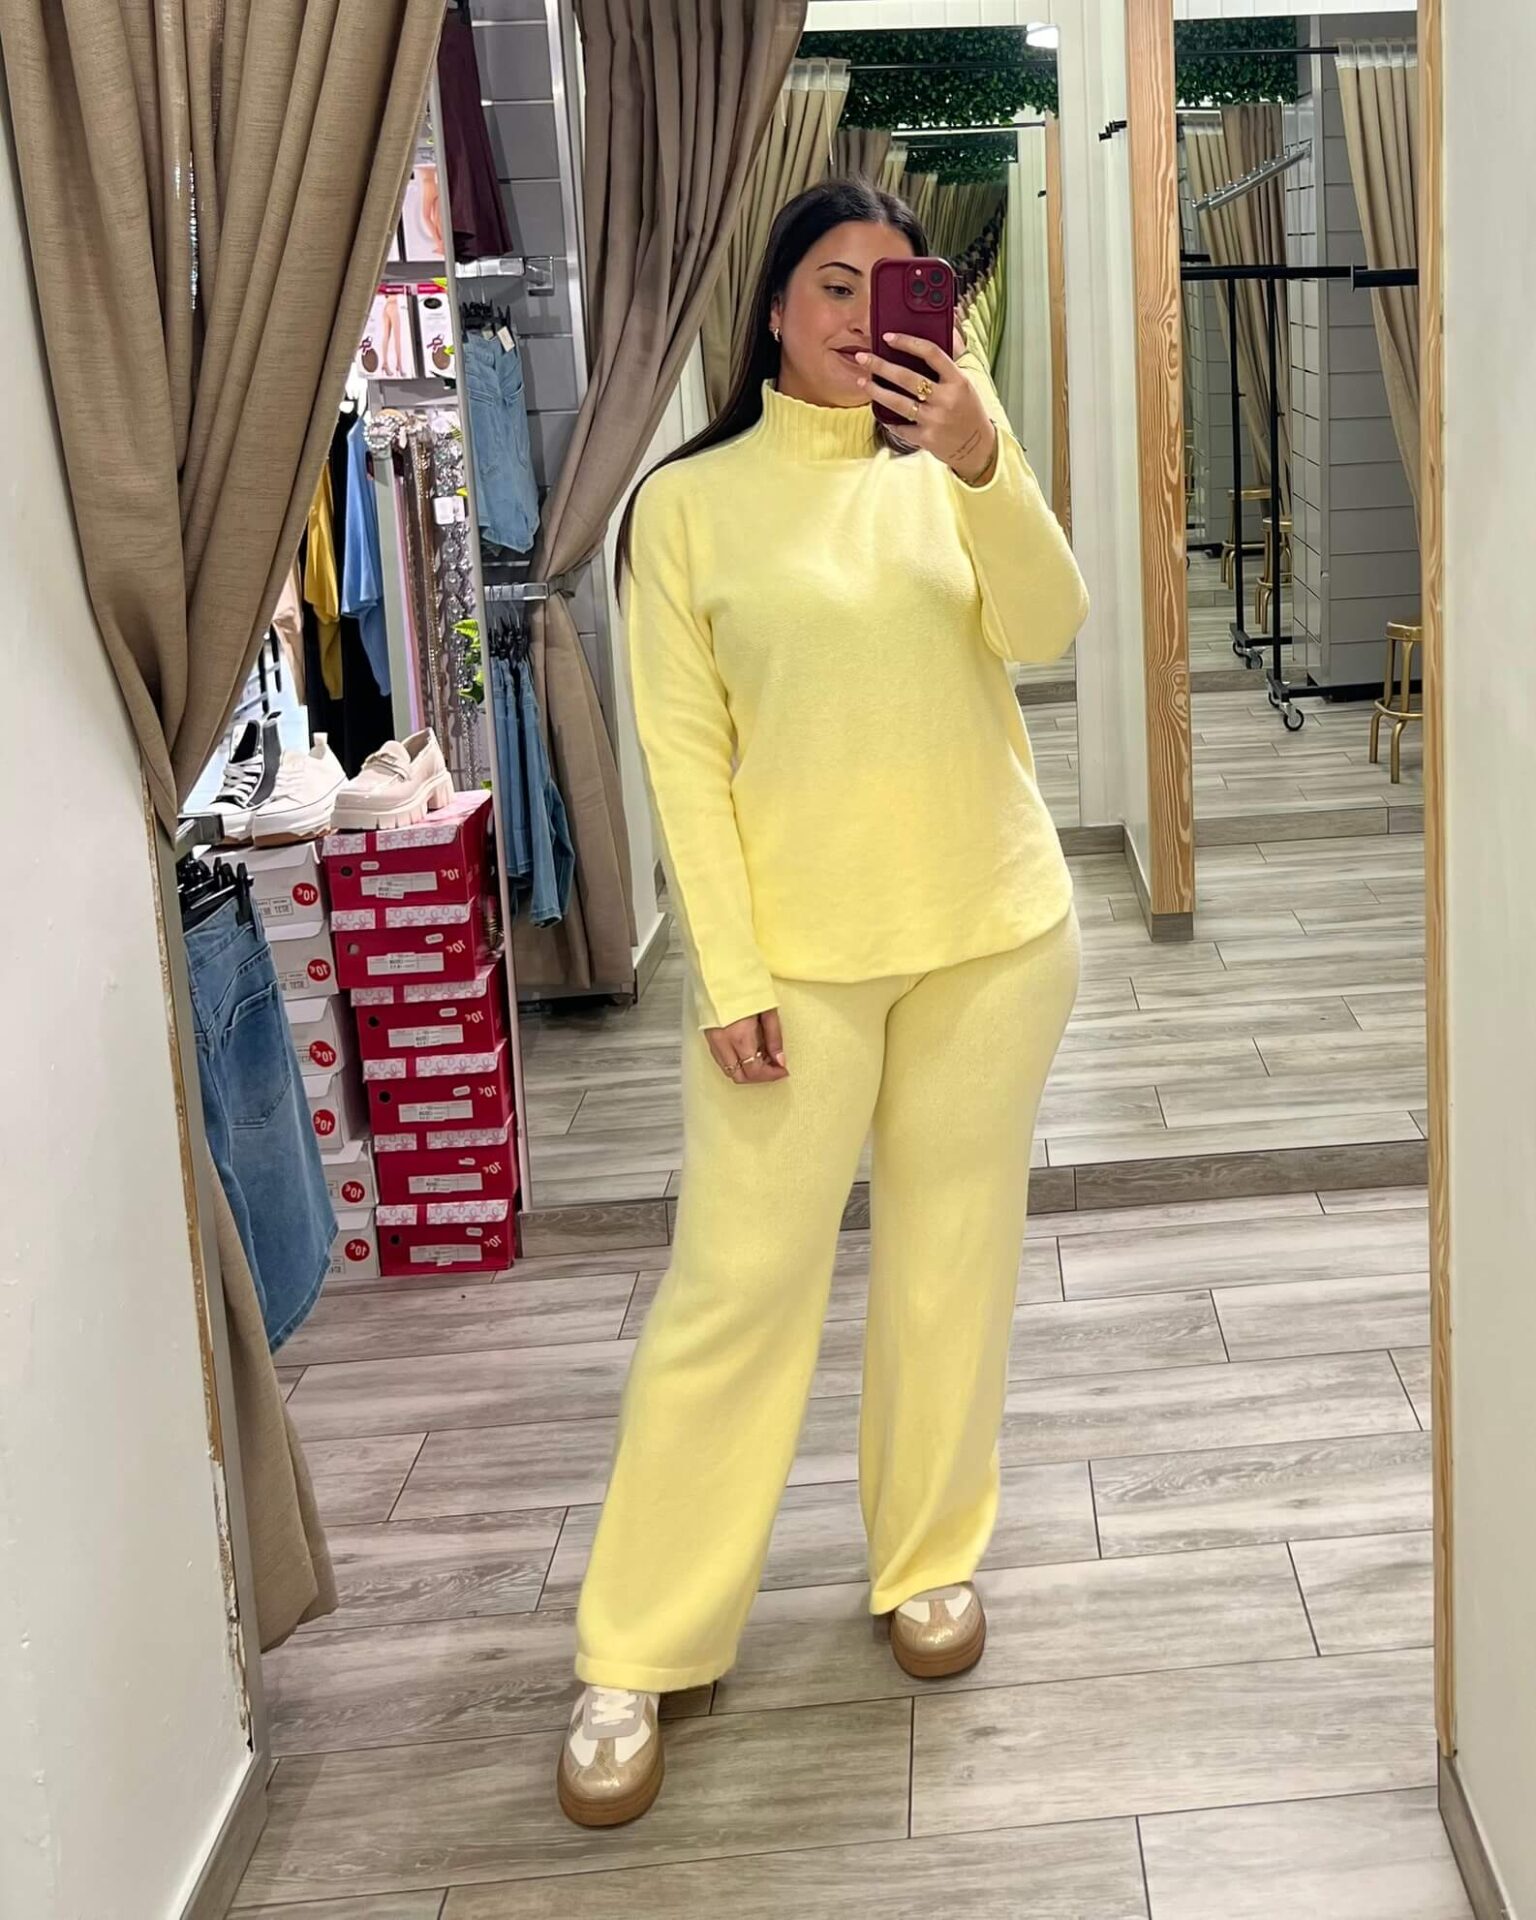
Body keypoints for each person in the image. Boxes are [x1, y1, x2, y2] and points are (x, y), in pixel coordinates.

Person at [557, 179, 1089, 1829]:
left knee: (952, 1264)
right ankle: (639, 1644)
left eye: (897, 284)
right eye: (835, 283)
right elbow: (683, 760)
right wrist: (725, 968)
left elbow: (1051, 626)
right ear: (776, 309)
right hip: (792, 972)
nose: (867, 314)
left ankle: (928, 1559)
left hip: (991, 935)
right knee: (737, 1292)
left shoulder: (954, 462)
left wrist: (983, 462)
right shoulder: (686, 509)